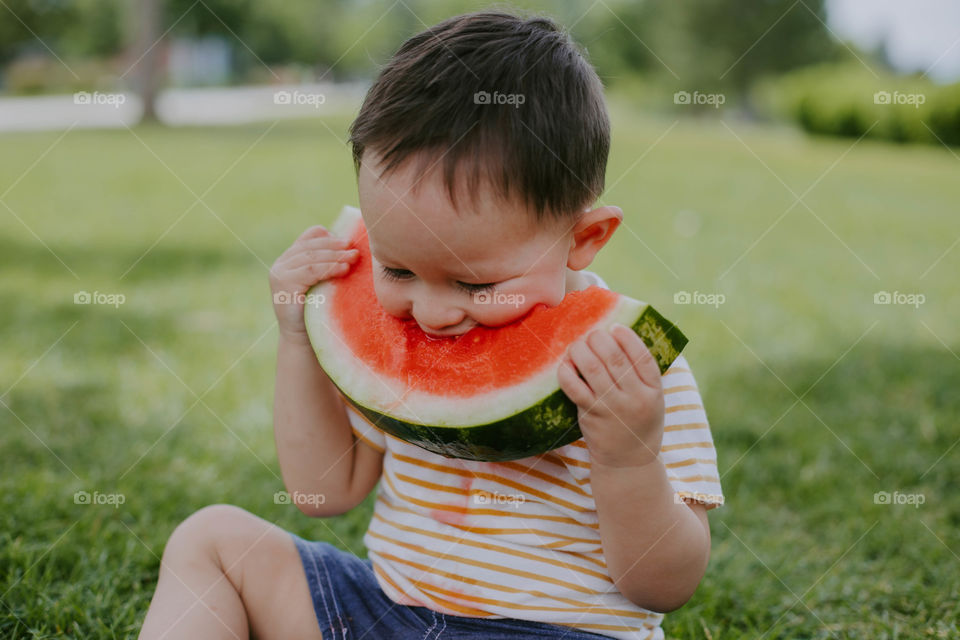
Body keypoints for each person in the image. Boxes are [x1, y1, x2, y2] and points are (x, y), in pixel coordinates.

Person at [138, 10, 724, 640]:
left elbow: (664, 586)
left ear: (584, 238)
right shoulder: (405, 342)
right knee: (212, 539)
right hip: (386, 614)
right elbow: (322, 493)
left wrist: (629, 459)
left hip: (554, 631)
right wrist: (299, 340)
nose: (433, 313)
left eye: (476, 284)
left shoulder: (628, 369)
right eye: (396, 270)